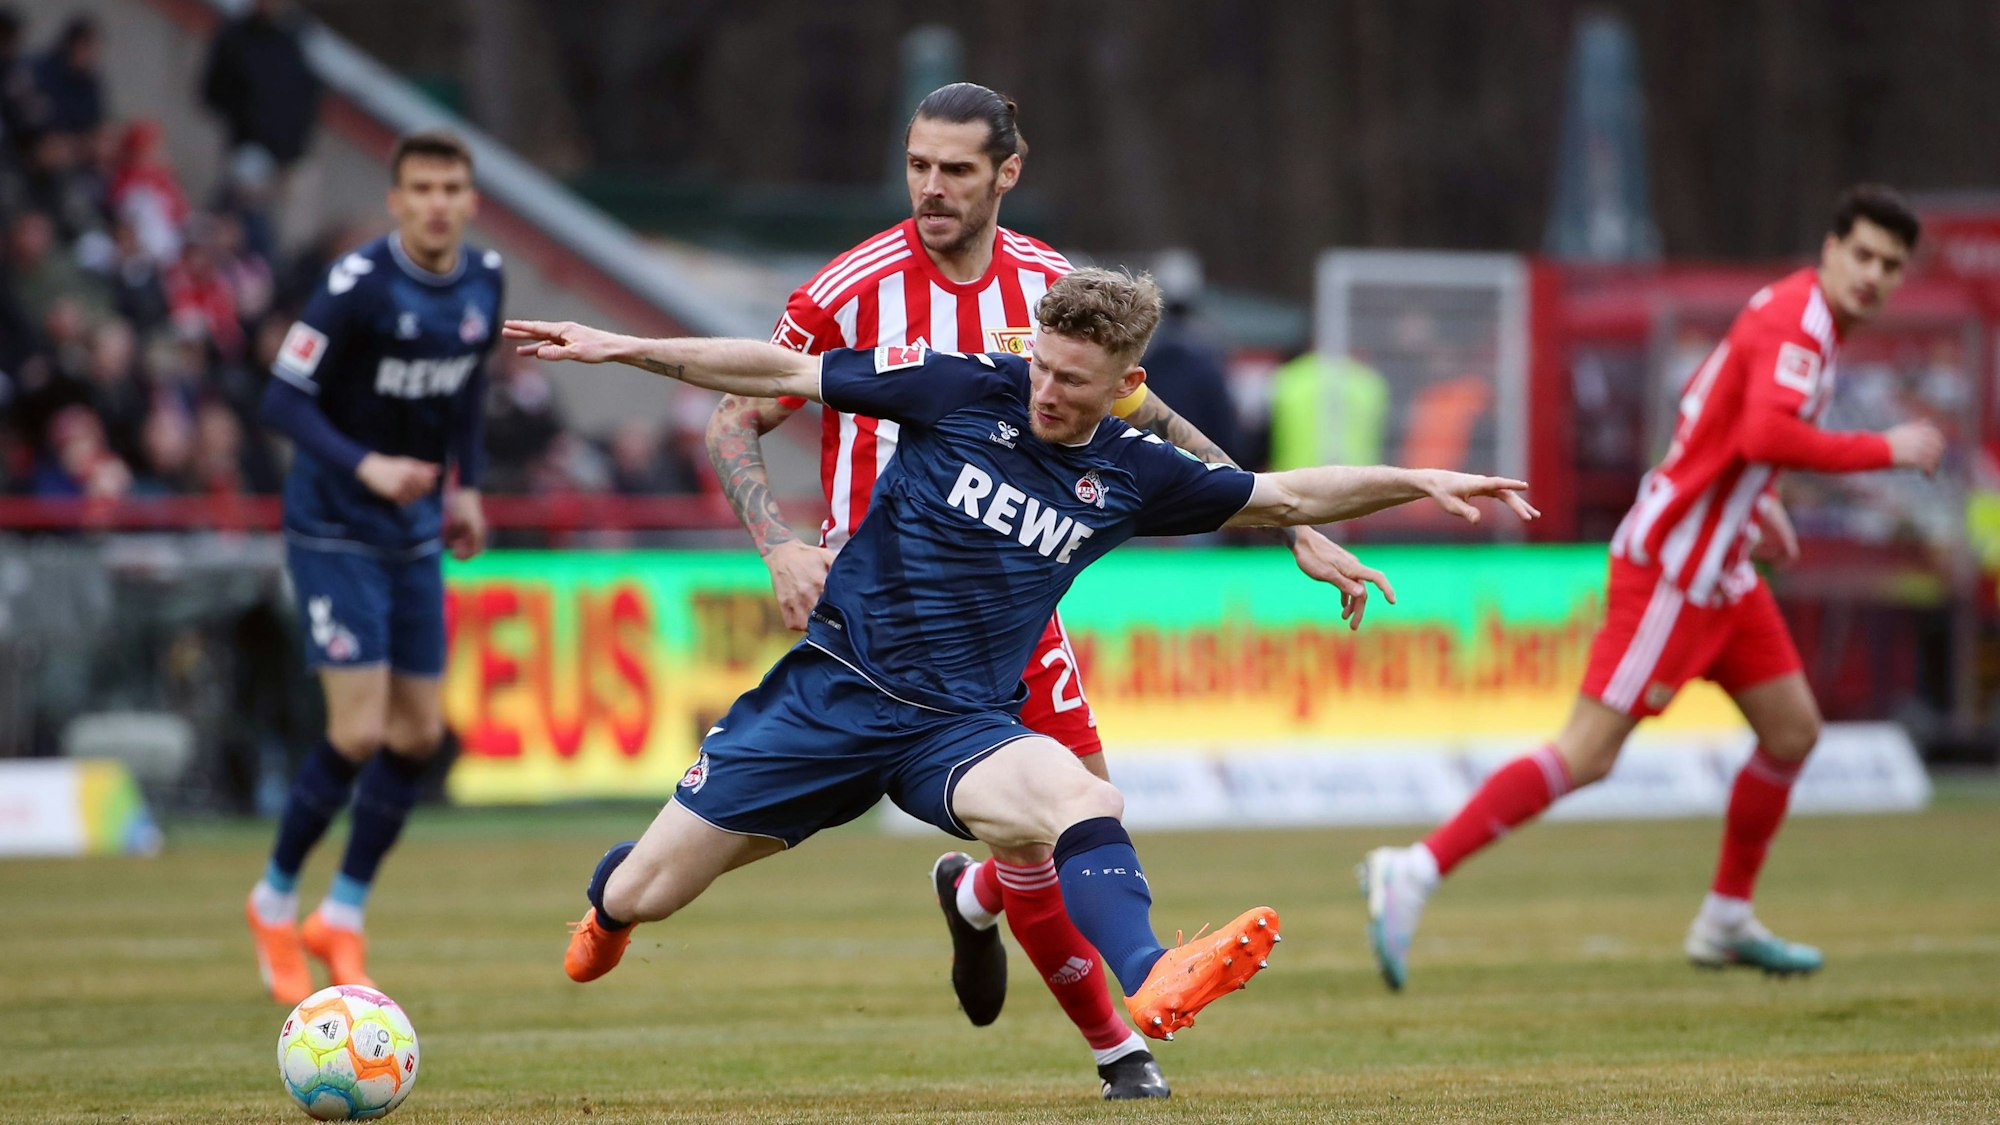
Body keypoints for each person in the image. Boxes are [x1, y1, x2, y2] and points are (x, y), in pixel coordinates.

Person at [505, 268, 1536, 1080]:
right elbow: (779, 372)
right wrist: (624, 348)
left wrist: (1418, 479)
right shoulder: (959, 385)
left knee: (1082, 795)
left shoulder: (1133, 474)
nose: (1045, 389)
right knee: (648, 888)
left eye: (1071, 381)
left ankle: (1152, 976)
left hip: (956, 727)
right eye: (1040, 367)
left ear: (1121, 385)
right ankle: (610, 905)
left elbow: (1277, 491)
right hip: (833, 693)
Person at [703, 82, 1386, 1100]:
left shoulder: (1050, 287)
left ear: (1006, 173)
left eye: (955, 171)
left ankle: (989, 905)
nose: (930, 189)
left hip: (1016, 601)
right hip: (880, 612)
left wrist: (1294, 526)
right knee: (998, 829)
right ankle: (1118, 1048)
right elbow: (734, 413)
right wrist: (777, 544)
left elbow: (1142, 416)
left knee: (1076, 819)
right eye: (916, 166)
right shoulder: (848, 286)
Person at [1358, 184, 1947, 989]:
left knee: (1793, 731)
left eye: (1891, 265)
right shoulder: (1799, 321)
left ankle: (1725, 918)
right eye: (1865, 256)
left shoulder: (1796, 316)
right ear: (1831, 250)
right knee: (1588, 753)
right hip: (1673, 568)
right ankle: (1414, 867)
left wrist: (1756, 499)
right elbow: (1767, 429)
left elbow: (1708, 408)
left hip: (1724, 569)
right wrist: (1887, 448)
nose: (1875, 276)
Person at [244, 129, 501, 1005]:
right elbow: (280, 396)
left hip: (417, 529)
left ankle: (340, 914)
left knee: (419, 734)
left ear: (471, 199)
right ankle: (273, 900)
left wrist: (465, 486)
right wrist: (367, 466)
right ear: (395, 200)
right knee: (356, 730)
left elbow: (466, 391)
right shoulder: (356, 286)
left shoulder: (485, 280)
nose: (437, 202)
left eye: (451, 187)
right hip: (335, 523)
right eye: (421, 188)